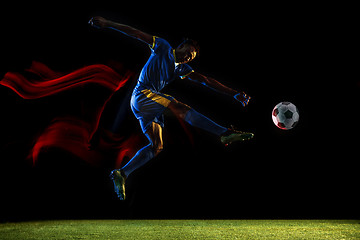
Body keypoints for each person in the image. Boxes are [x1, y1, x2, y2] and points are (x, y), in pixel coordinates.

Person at [89, 16, 254, 200]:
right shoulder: (162, 46)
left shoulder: (180, 70)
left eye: (190, 58)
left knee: (157, 146)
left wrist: (233, 93)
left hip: (148, 107)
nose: (187, 58)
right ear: (181, 45)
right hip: (142, 94)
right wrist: (107, 23)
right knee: (178, 106)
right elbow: (135, 33)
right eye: (187, 53)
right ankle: (223, 132)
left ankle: (122, 173)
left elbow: (205, 81)